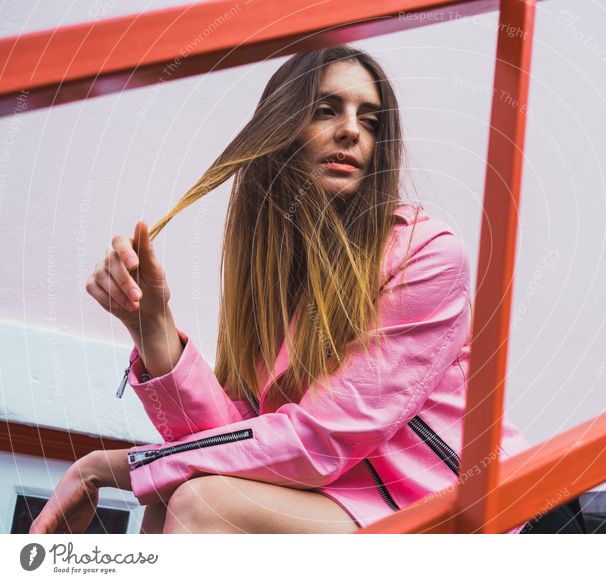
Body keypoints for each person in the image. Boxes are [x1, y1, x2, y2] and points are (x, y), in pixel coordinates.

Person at [29, 45, 539, 535]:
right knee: (181, 497)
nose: (350, 131)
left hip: (476, 516)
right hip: (360, 510)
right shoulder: (275, 283)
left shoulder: (424, 256)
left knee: (204, 503)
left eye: (370, 121)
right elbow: (231, 445)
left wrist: (105, 466)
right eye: (326, 110)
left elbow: (316, 443)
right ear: (281, 128)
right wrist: (153, 326)